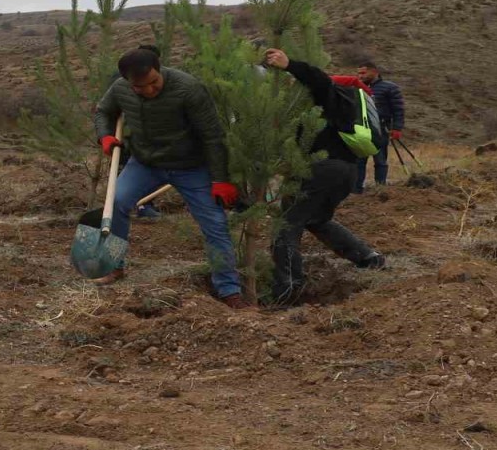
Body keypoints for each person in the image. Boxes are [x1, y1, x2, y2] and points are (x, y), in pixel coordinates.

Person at [92, 48, 247, 308]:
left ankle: (229, 290)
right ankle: (113, 265)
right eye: (140, 87)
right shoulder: (120, 89)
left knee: (214, 223)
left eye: (154, 82)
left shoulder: (188, 89)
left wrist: (220, 179)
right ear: (129, 82)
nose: (149, 90)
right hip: (146, 163)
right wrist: (105, 135)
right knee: (116, 202)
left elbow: (213, 136)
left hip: (191, 166)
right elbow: (103, 111)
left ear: (159, 68)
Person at [264, 48, 387, 305]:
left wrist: (289, 64)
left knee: (286, 225)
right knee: (317, 219)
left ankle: (288, 289)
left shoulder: (323, 94)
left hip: (322, 168)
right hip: (345, 170)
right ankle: (368, 257)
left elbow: (318, 79)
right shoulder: (321, 105)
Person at [108, 45, 162, 220]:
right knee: (126, 168)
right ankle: (126, 206)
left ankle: (144, 204)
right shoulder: (120, 78)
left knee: (148, 168)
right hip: (126, 131)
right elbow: (109, 103)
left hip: (146, 133)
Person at [355, 60, 405, 192]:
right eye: (359, 73)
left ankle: (380, 189)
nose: (360, 76)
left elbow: (398, 109)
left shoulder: (389, 87)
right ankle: (356, 189)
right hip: (362, 129)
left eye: (363, 73)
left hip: (381, 129)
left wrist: (397, 128)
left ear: (374, 72)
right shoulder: (357, 87)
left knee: (380, 160)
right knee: (359, 160)